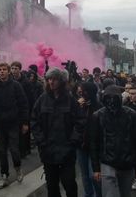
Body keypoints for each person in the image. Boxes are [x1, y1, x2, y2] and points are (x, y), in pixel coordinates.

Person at [31, 68, 85, 197]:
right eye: (49, 79)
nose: (51, 82)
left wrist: (73, 141)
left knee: (69, 184)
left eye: (54, 79)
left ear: (61, 81)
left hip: (67, 151)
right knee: (52, 185)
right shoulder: (42, 99)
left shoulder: (70, 100)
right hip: (48, 151)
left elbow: (80, 121)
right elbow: (34, 120)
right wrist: (41, 141)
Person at [90, 85, 136, 197]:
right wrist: (96, 168)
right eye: (108, 98)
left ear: (119, 99)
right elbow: (94, 143)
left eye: (114, 98)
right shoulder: (98, 116)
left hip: (127, 162)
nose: (111, 102)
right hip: (107, 162)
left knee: (125, 194)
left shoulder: (131, 115)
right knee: (110, 194)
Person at [0, 62, 29, 189]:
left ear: (8, 71)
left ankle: (18, 168)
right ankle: (4, 176)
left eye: (4, 69)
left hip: (13, 123)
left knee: (14, 149)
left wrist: (25, 122)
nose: (2, 72)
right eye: (0, 70)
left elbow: (24, 104)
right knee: (1, 151)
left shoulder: (16, 86)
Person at [76, 82, 102, 197]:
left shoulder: (98, 106)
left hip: (94, 145)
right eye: (80, 91)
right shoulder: (77, 105)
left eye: (83, 91)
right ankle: (88, 194)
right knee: (84, 174)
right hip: (81, 144)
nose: (81, 93)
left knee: (94, 175)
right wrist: (77, 107)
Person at [10, 61, 33, 158]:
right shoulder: (9, 80)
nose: (14, 70)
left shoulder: (26, 82)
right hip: (13, 110)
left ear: (20, 69)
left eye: (16, 68)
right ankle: (16, 150)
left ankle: (24, 150)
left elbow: (29, 98)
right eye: (12, 68)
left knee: (24, 131)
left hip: (23, 109)